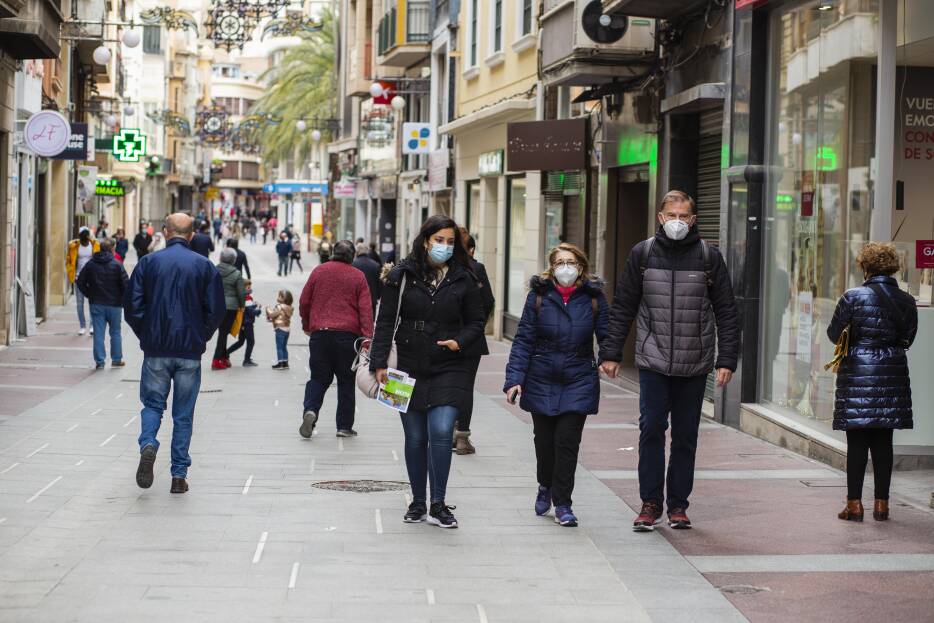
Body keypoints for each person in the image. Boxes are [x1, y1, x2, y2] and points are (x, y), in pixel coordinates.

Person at [599, 190, 740, 532]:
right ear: (660, 217)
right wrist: (611, 352)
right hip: (654, 358)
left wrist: (727, 360)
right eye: (671, 215)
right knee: (651, 429)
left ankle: (678, 504)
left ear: (693, 219)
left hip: (696, 361)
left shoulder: (709, 257)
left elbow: (726, 310)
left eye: (684, 216)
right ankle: (650, 502)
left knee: (686, 435)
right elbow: (624, 305)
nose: (677, 221)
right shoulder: (643, 254)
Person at [369, 216, 486, 529]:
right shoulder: (401, 274)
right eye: (439, 240)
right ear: (425, 241)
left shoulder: (466, 276)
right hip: (405, 365)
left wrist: (458, 342)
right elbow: (384, 321)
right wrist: (379, 362)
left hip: (451, 363)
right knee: (416, 436)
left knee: (442, 430)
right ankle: (418, 502)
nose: (444, 247)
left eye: (450, 242)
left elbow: (477, 321)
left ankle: (438, 504)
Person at [504, 243, 608, 526]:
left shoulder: (594, 297)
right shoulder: (538, 297)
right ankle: (544, 486)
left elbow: (607, 333)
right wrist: (514, 379)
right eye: (560, 262)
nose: (566, 267)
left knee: (567, 442)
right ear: (552, 267)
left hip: (579, 377)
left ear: (581, 267)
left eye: (571, 262)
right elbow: (523, 340)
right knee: (545, 442)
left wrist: (610, 357)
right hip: (541, 376)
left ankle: (563, 503)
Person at [124, 213, 225, 494]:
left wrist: (147, 333)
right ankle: (178, 476)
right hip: (189, 352)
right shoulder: (204, 266)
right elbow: (216, 310)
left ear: (165, 232)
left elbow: (132, 306)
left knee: (153, 405)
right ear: (191, 235)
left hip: (156, 349)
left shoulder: (148, 263)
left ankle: (148, 443)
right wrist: (201, 335)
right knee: (184, 415)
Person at [828, 242, 918, 523]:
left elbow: (834, 333)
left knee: (856, 442)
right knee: (883, 442)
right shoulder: (906, 300)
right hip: (892, 373)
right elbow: (908, 339)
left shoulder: (852, 296)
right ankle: (882, 504)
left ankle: (854, 505)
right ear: (892, 267)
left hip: (857, 374)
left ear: (865, 267)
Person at [298, 240, 373, 439]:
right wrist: (366, 339)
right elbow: (366, 310)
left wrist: (307, 325)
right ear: (352, 257)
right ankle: (344, 426)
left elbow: (304, 301)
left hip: (320, 334)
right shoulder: (358, 277)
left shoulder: (318, 271)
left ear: (332, 252)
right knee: (346, 381)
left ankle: (310, 410)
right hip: (347, 337)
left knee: (318, 378)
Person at [454, 230, 496, 455]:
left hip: (444, 337)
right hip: (471, 340)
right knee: (466, 387)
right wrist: (477, 324)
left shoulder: (438, 268)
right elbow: (488, 301)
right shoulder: (475, 268)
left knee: (446, 383)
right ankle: (462, 438)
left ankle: (445, 430)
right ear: (470, 249)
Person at [76, 239, 129, 369]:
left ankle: (100, 361)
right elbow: (126, 285)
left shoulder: (91, 264)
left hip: (97, 303)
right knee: (115, 332)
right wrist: (122, 299)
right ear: (112, 249)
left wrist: (90, 294)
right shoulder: (117, 264)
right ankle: (116, 359)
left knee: (98, 333)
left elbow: (80, 281)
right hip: (115, 305)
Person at [212, 248, 246, 370]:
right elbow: (241, 293)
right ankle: (216, 359)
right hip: (231, 307)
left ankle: (223, 357)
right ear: (233, 260)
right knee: (223, 333)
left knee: (223, 332)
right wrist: (242, 306)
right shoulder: (236, 273)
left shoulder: (214, 270)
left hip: (217, 305)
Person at [66, 227, 100, 336]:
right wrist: (71, 272)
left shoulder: (94, 245)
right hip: (78, 277)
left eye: (86, 240)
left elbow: (98, 256)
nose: (84, 242)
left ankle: (92, 326)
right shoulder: (74, 246)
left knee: (92, 302)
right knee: (79, 303)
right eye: (83, 240)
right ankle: (82, 326)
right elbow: (69, 260)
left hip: (91, 278)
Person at [226, 279, 261, 367]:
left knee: (241, 341)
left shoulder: (243, 296)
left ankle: (226, 353)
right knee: (251, 341)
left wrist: (254, 305)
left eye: (250, 287)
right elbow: (251, 312)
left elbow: (247, 308)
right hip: (247, 323)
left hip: (243, 322)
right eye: (248, 287)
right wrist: (259, 309)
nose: (250, 289)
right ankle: (246, 360)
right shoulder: (247, 297)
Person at [266, 290, 294, 369]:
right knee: (284, 346)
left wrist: (267, 309)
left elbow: (272, 314)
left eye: (279, 296)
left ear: (283, 298)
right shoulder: (290, 308)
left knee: (279, 347)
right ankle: (285, 363)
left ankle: (280, 363)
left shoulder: (279, 306)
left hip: (280, 328)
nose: (278, 297)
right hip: (287, 328)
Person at [352, 242, 381, 312]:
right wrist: (377, 296)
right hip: (371, 299)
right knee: (371, 321)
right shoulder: (375, 265)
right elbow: (379, 283)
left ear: (357, 252)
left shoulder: (353, 265)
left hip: (356, 299)